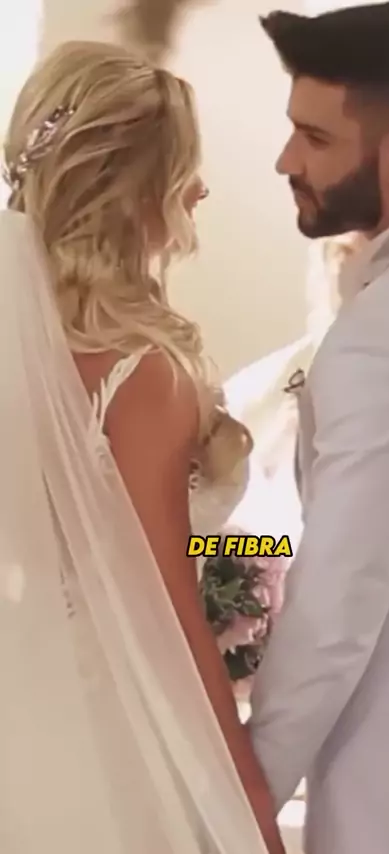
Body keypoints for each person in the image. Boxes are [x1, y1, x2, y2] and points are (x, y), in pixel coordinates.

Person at [0, 40, 284, 854]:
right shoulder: (143, 374)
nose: (201, 188)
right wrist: (245, 793)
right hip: (99, 732)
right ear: (135, 189)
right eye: (184, 166)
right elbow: (167, 613)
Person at [249, 4, 389, 853]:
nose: (286, 160)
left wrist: (240, 800)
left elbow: (335, 612)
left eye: (314, 136)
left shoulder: (388, 334)